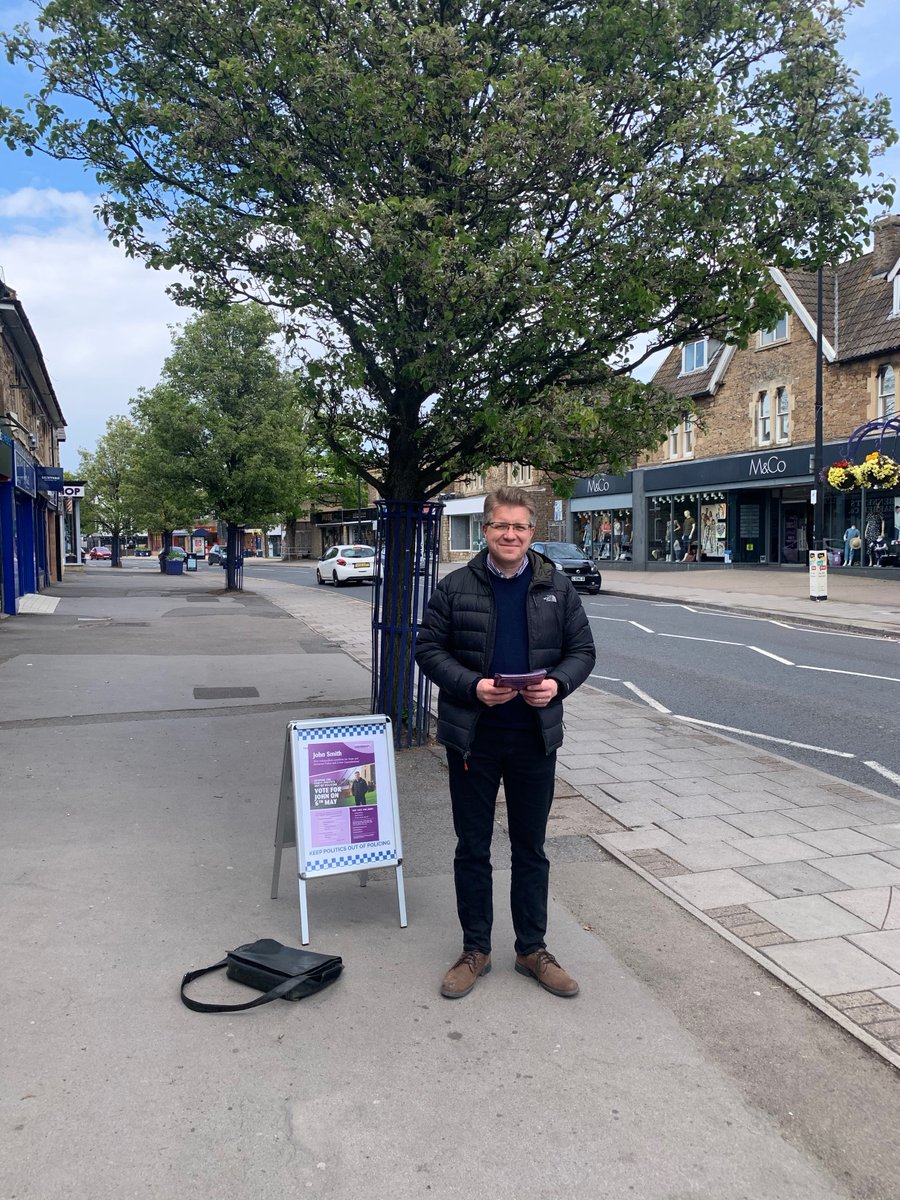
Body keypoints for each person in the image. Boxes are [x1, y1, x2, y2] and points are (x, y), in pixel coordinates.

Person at [416, 485, 596, 1001]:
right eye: (501, 526)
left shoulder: (557, 588)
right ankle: (476, 949)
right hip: (473, 738)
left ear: (531, 533)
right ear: (486, 529)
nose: (510, 534)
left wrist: (557, 684)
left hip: (534, 739)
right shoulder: (455, 587)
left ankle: (531, 949)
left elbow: (582, 650)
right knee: (472, 847)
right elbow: (429, 648)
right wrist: (471, 686)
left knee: (530, 849)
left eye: (519, 527)